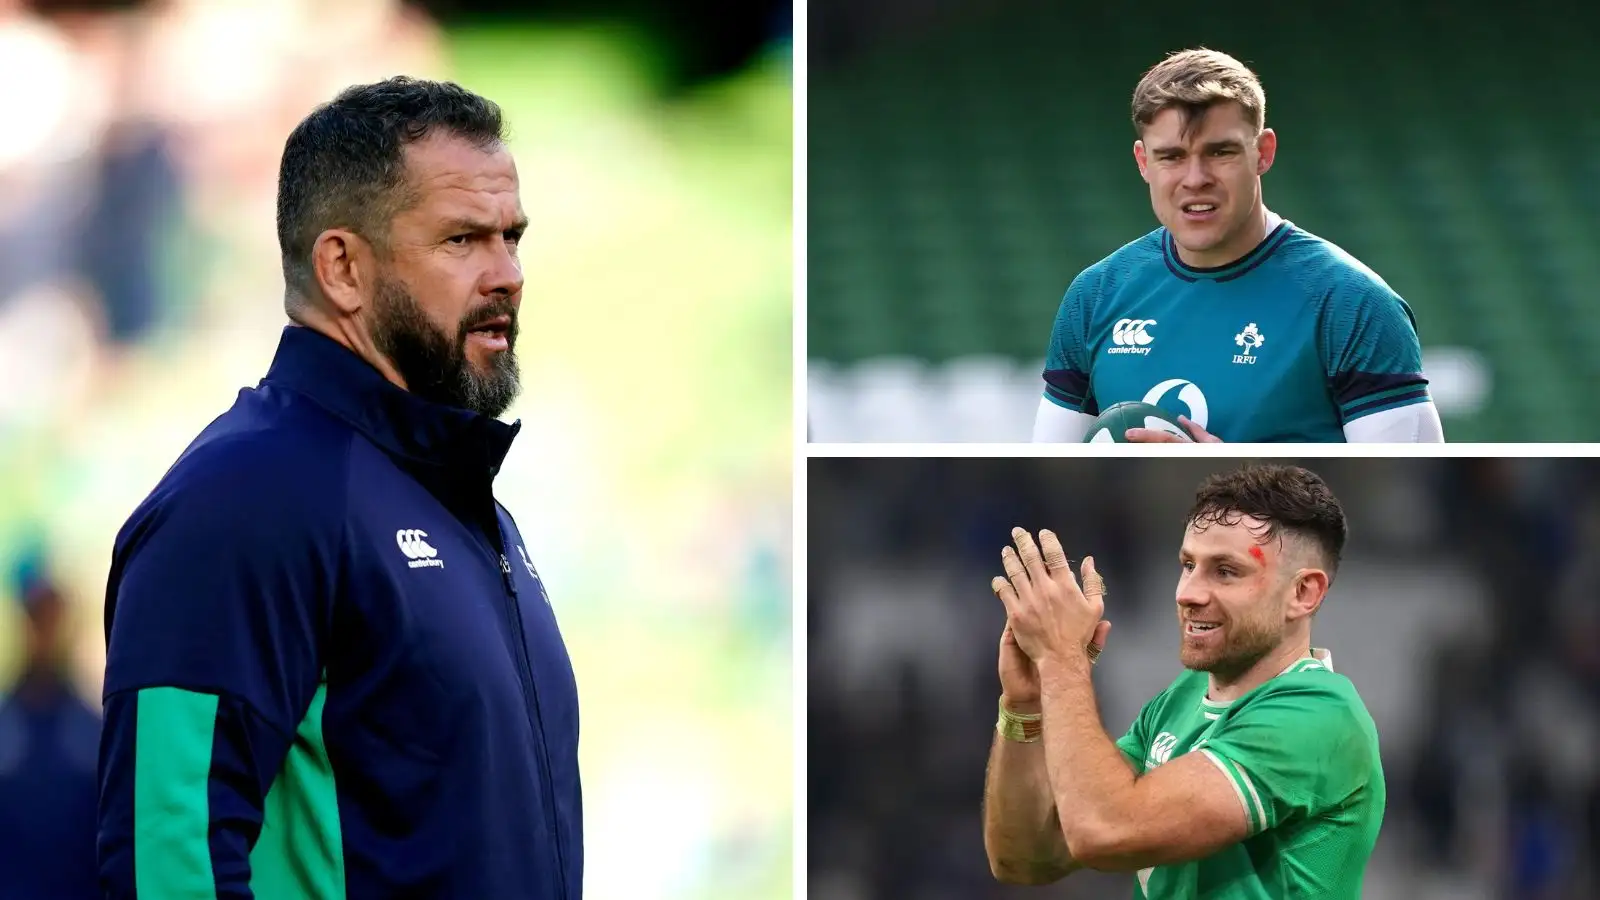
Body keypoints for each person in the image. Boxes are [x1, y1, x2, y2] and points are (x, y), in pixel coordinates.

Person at [97, 77, 583, 899]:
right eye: (463, 240)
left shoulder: (461, 500)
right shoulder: (246, 498)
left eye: (513, 238)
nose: (507, 274)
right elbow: (163, 863)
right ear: (343, 267)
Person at [982, 464, 1384, 898]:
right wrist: (1025, 704)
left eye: (1225, 571)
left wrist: (1062, 661)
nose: (1187, 592)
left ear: (1303, 593)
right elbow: (1024, 859)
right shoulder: (1182, 698)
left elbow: (1103, 830)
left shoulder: (1318, 714)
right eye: (1188, 565)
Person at [1030, 48, 1444, 443]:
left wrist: (1223, 467)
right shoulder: (1095, 296)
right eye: (1171, 156)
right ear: (1143, 162)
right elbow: (1050, 466)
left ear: (1262, 153)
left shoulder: (1352, 303)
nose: (1195, 178)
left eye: (1220, 152)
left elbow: (1408, 495)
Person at [0, 546, 101, 899]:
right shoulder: (6, 728)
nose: (44, 630)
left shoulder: (92, 734)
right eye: (35, 616)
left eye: (52, 615)